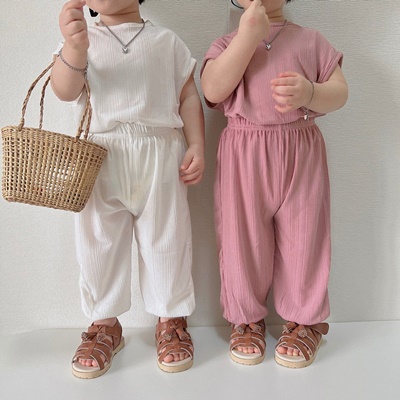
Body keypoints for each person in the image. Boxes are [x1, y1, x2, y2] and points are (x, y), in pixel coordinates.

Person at [51, 0, 205, 378]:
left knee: (167, 238)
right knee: (97, 242)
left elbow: (188, 95)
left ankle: (170, 318)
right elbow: (64, 90)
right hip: (100, 154)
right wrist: (73, 47)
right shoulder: (82, 39)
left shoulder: (166, 41)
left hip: (161, 153)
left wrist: (197, 144)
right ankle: (104, 323)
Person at [201, 0, 347, 368]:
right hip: (244, 152)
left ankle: (304, 320)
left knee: (306, 237)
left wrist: (310, 93)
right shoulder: (227, 43)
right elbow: (213, 90)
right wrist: (248, 35)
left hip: (301, 150)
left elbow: (340, 92)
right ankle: (246, 319)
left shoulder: (310, 41)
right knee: (241, 238)